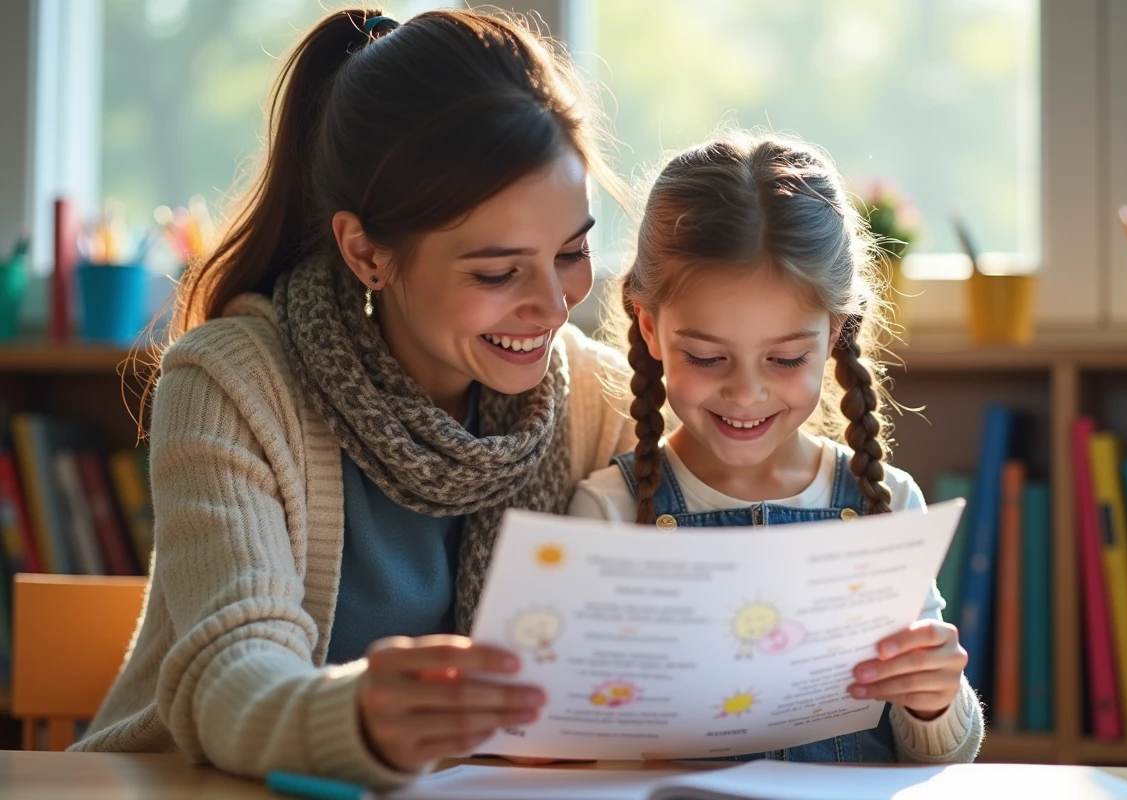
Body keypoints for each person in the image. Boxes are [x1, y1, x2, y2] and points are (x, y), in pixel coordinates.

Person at [71, 8, 637, 788]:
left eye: (572, 251)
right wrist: (359, 718)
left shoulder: (597, 400)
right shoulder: (230, 382)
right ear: (366, 252)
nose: (554, 303)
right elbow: (228, 674)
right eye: (497, 272)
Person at [570, 131, 985, 763]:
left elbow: (939, 760)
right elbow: (585, 751)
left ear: (837, 331)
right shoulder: (605, 513)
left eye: (786, 358)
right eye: (707, 357)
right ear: (650, 328)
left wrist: (932, 698)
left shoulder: (888, 503)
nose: (746, 392)